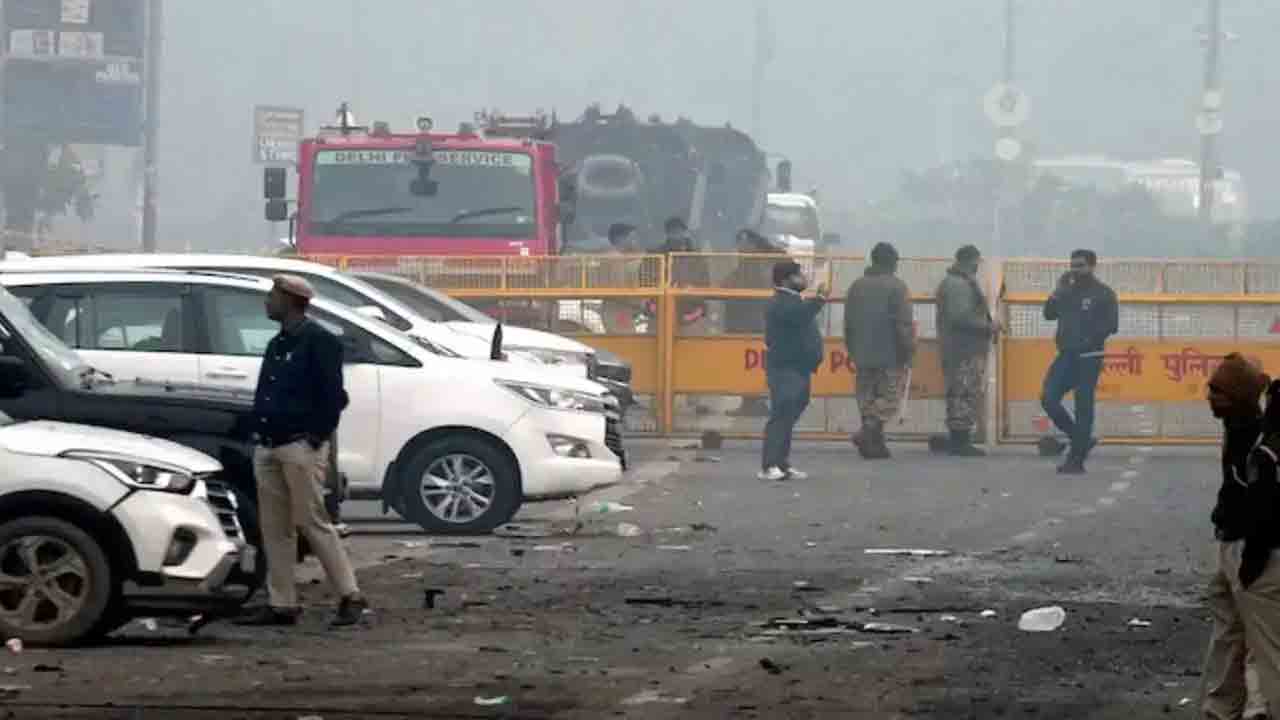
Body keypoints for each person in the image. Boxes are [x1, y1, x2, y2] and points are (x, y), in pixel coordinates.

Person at [236, 274, 367, 628]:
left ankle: (350, 595)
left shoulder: (319, 342)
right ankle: (282, 603)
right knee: (274, 528)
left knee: (312, 521)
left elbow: (334, 398)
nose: (266, 303)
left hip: (299, 445)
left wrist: (313, 439)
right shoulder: (278, 343)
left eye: (272, 297)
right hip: (270, 445)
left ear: (291, 301)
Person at [1199, 354, 1280, 718]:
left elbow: (1263, 507)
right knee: (1229, 631)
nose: (1210, 397)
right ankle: (1223, 708)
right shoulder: (1238, 428)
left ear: (1239, 396)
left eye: (1218, 391)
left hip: (1251, 552)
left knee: (1267, 648)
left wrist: (1252, 559)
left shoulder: (1255, 441)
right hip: (1234, 546)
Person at [1040, 249, 1119, 475]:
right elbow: (1048, 314)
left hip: (1089, 357)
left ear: (1092, 266)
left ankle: (1076, 460)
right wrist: (1056, 292)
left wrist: (1088, 340)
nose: (1076, 270)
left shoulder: (1103, 293)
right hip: (1066, 355)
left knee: (1083, 406)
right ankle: (1080, 438)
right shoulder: (1066, 290)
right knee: (1048, 398)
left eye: (1081, 265)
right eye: (1073, 265)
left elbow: (1111, 325)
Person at [844, 242, 914, 460]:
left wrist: (853, 349)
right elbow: (903, 324)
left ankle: (874, 443)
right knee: (890, 397)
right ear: (892, 262)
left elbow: (848, 324)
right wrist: (909, 349)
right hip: (889, 353)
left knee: (867, 398)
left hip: (862, 353)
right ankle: (868, 432)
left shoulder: (856, 286)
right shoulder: (897, 287)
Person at [761, 260, 828, 481]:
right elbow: (800, 314)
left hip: (799, 367)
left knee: (788, 416)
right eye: (798, 275)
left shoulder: (792, 300)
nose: (803, 279)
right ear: (785, 279)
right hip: (785, 367)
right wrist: (818, 299)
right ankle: (769, 465)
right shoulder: (782, 302)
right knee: (781, 415)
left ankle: (782, 463)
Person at [935, 245, 998, 457]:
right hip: (964, 349)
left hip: (960, 347)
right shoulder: (959, 285)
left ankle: (958, 437)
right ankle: (960, 440)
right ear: (971, 260)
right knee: (963, 392)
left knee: (961, 391)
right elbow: (960, 317)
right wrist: (989, 327)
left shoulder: (955, 282)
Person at [727, 228, 779, 418]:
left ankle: (755, 401)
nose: (739, 247)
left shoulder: (756, 263)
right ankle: (750, 401)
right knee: (751, 362)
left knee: (754, 362)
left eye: (742, 243)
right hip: (750, 319)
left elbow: (744, 284)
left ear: (751, 244)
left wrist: (722, 287)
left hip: (753, 320)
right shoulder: (750, 262)